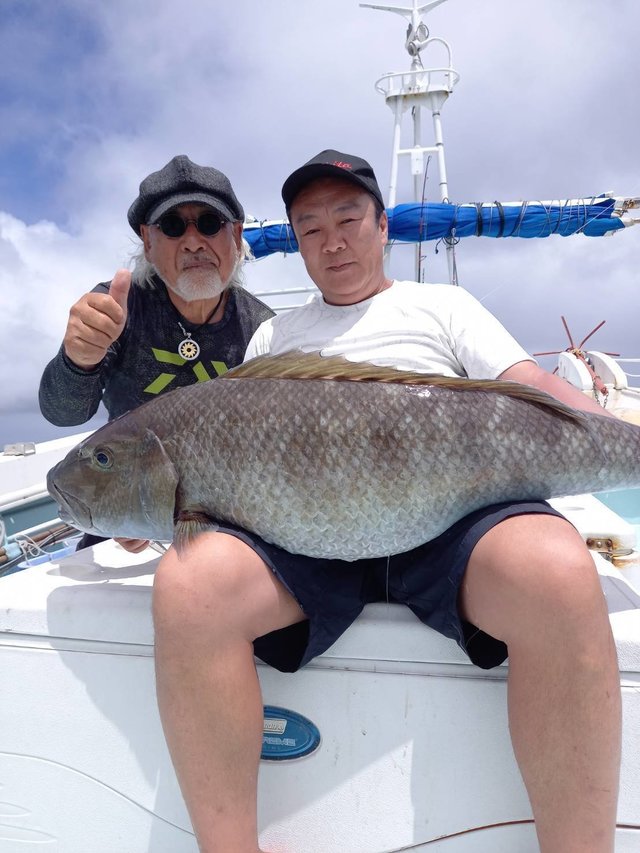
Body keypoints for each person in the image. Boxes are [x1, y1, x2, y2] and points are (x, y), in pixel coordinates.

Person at [151, 150, 621, 853]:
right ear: (297, 245)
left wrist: (622, 437)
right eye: (310, 229)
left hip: (449, 520)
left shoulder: (445, 306)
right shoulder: (276, 336)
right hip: (309, 531)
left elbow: (535, 391)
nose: (332, 241)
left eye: (347, 219)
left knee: (556, 570)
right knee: (188, 585)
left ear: (381, 226)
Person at [39, 154, 274, 551]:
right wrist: (78, 360)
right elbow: (63, 413)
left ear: (235, 237)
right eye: (172, 226)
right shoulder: (117, 309)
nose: (194, 241)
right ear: (148, 243)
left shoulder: (262, 328)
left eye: (210, 223)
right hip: (122, 515)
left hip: (231, 526)